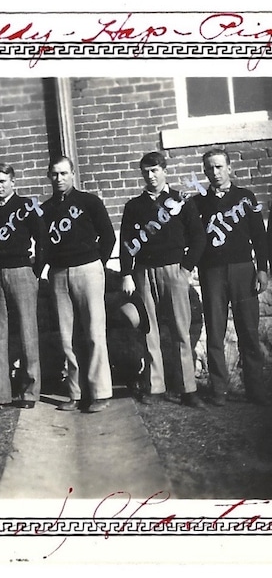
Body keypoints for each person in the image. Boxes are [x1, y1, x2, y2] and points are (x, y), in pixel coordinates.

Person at [120, 151, 206, 407]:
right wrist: (126, 273)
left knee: (181, 330)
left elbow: (199, 238)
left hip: (174, 271)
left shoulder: (181, 201)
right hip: (144, 272)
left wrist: (186, 268)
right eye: (146, 171)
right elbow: (127, 243)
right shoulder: (134, 206)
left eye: (155, 170)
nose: (151, 175)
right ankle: (154, 386)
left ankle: (187, 389)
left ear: (164, 171)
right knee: (149, 332)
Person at [195, 148, 269, 406]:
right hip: (211, 272)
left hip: (242, 270)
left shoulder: (245, 197)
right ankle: (218, 389)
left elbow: (260, 237)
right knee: (215, 331)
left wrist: (262, 269)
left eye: (219, 167)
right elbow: (191, 238)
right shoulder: (198, 202)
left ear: (229, 168)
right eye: (209, 168)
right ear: (204, 171)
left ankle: (255, 388)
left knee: (248, 331)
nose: (214, 173)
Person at [42, 155, 116, 413]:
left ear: (73, 174)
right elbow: (44, 245)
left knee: (95, 332)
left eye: (64, 173)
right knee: (67, 337)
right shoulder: (46, 209)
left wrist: (97, 264)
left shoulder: (89, 202)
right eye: (55, 174)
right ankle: (75, 392)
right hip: (59, 274)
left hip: (88, 270)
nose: (59, 179)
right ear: (49, 176)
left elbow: (108, 236)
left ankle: (100, 392)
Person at [0, 163, 47, 410]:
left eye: (2, 181)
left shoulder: (26, 206)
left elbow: (42, 240)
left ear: (13, 182)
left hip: (22, 272)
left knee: (27, 331)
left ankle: (30, 392)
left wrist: (36, 271)